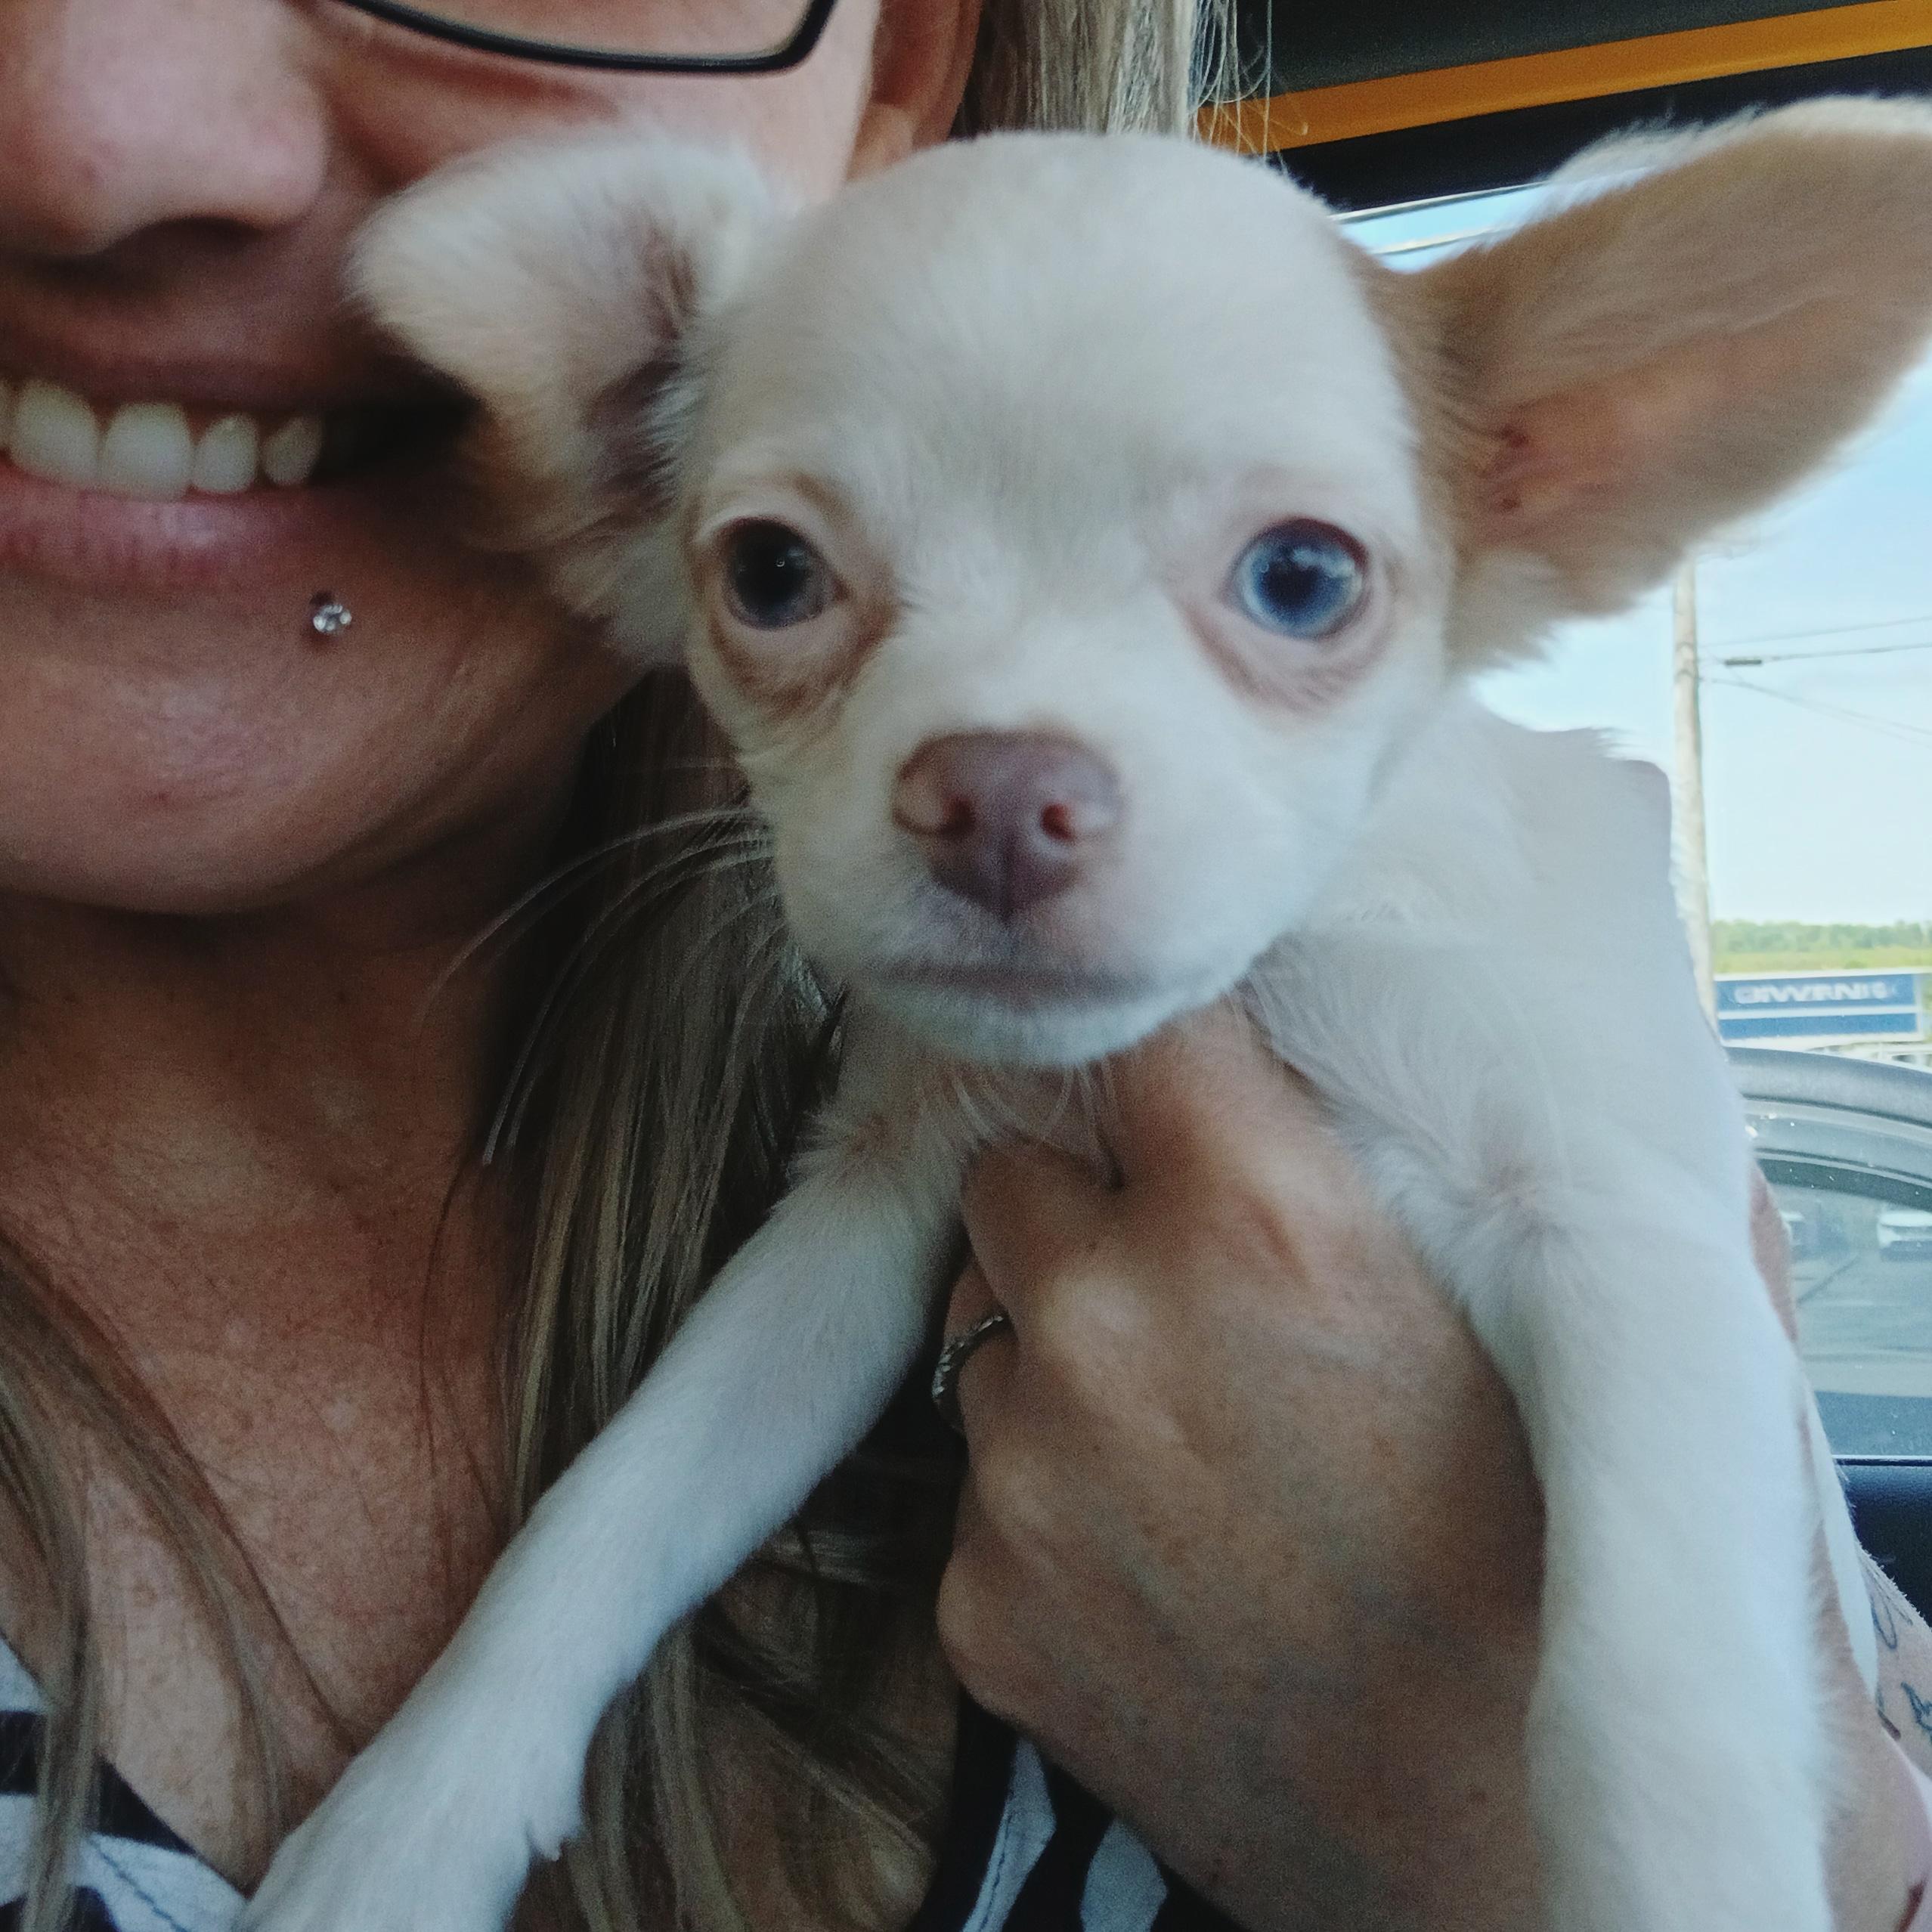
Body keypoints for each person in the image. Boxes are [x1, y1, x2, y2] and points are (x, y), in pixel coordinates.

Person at [0, 3, 1927, 1929]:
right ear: (629, 481)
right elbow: (842, 1239)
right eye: (786, 577)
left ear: (1552, 472)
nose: (1009, 792)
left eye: (1294, 581)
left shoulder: (1528, 881)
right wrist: (467, 1764)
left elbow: (1646, 1271)